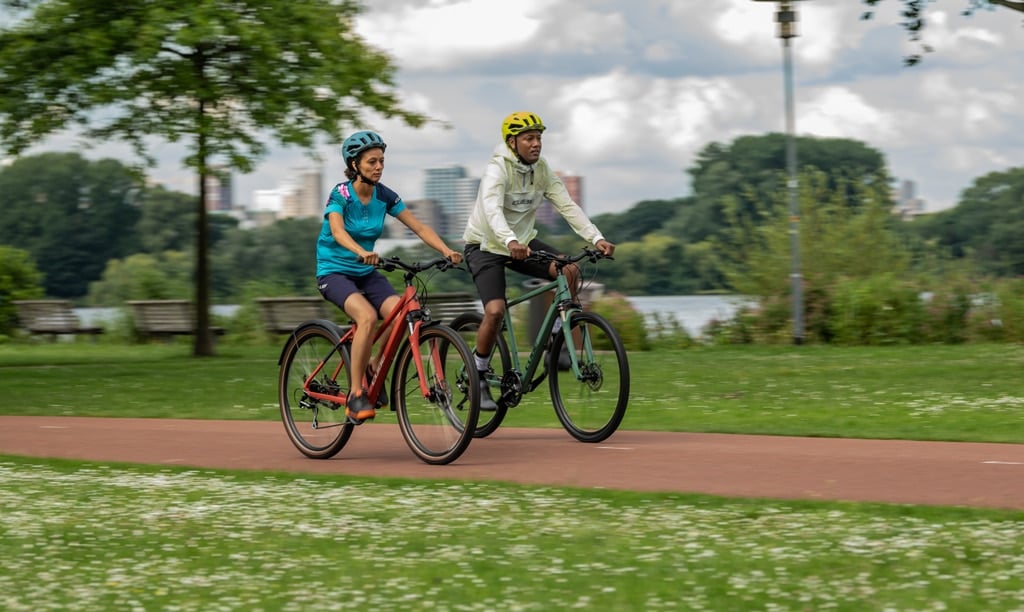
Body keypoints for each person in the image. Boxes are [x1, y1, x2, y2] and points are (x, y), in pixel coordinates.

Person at [463, 111, 615, 410]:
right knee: (494, 311)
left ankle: (555, 344)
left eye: (539, 138)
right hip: (486, 245)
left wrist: (595, 238)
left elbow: (567, 205)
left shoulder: (542, 170)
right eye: (529, 139)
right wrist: (510, 241)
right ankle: (478, 377)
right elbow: (492, 211)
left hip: (523, 242)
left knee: (569, 271)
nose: (536, 144)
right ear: (512, 142)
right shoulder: (497, 170)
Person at [317, 130, 463, 423]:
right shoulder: (341, 194)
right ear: (355, 165)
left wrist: (447, 250)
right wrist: (360, 250)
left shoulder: (385, 196)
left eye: (382, 161)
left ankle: (374, 366)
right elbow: (337, 231)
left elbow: (419, 227)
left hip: (366, 272)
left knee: (401, 317)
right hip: (334, 271)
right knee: (367, 317)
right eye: (372, 162)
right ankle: (356, 393)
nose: (379, 167)